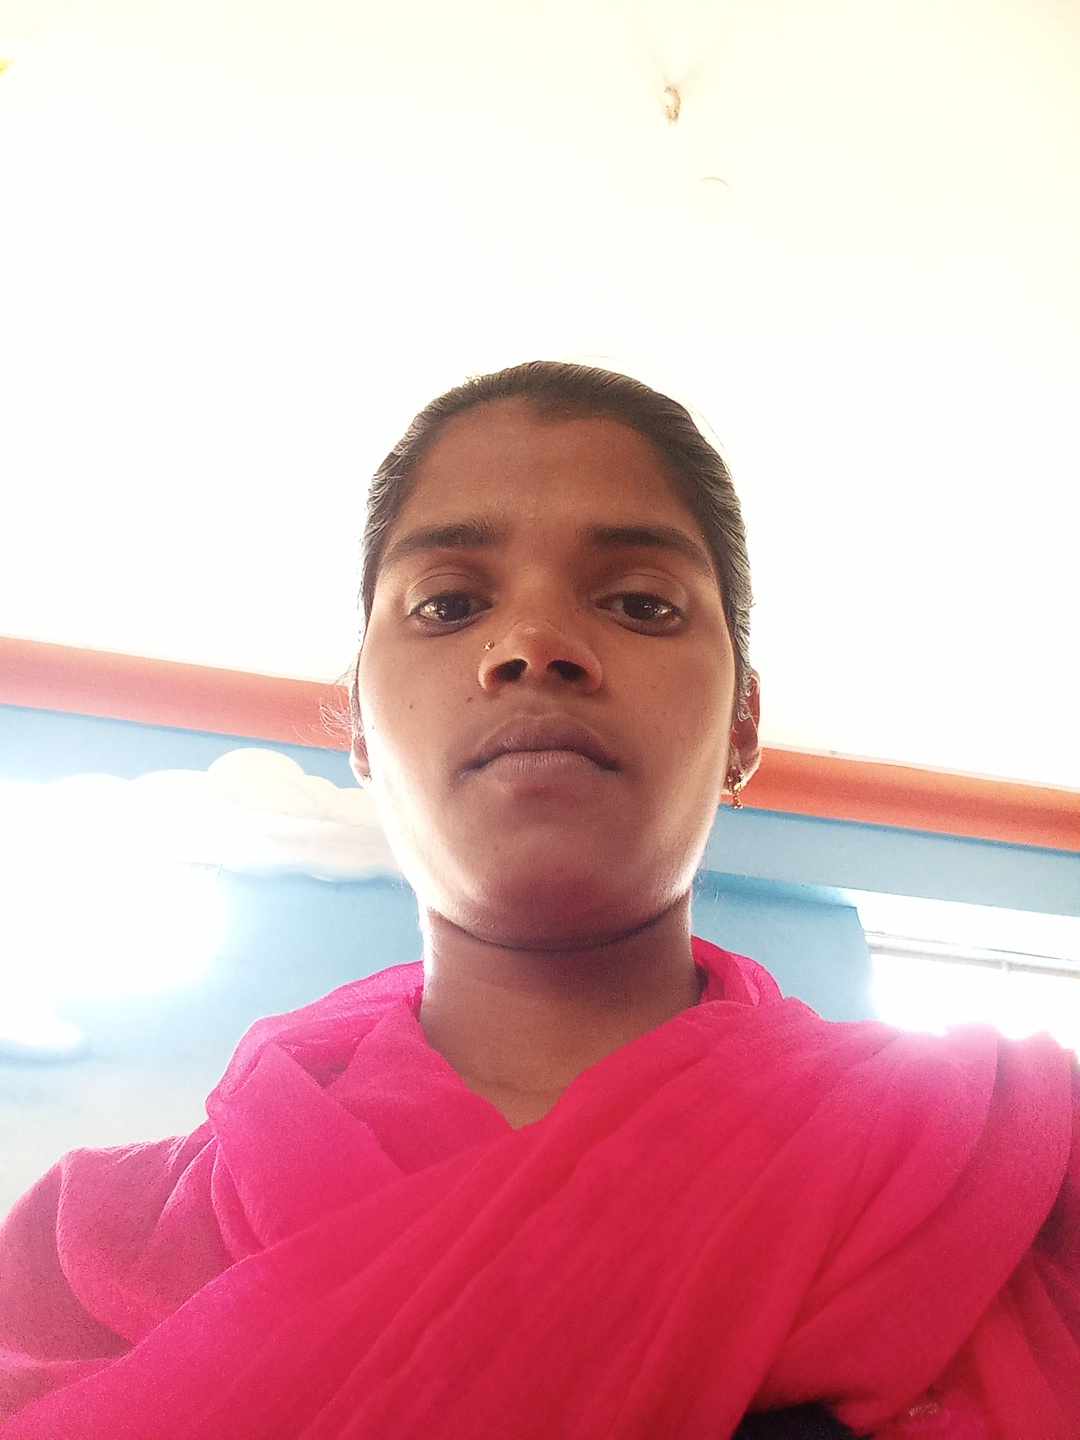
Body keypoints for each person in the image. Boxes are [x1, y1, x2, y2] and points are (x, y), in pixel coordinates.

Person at [0, 361, 1076, 1439]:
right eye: (449, 604)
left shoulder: (1009, 1177)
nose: (533, 646)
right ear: (360, 723)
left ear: (743, 726)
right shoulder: (87, 1252)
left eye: (642, 604)